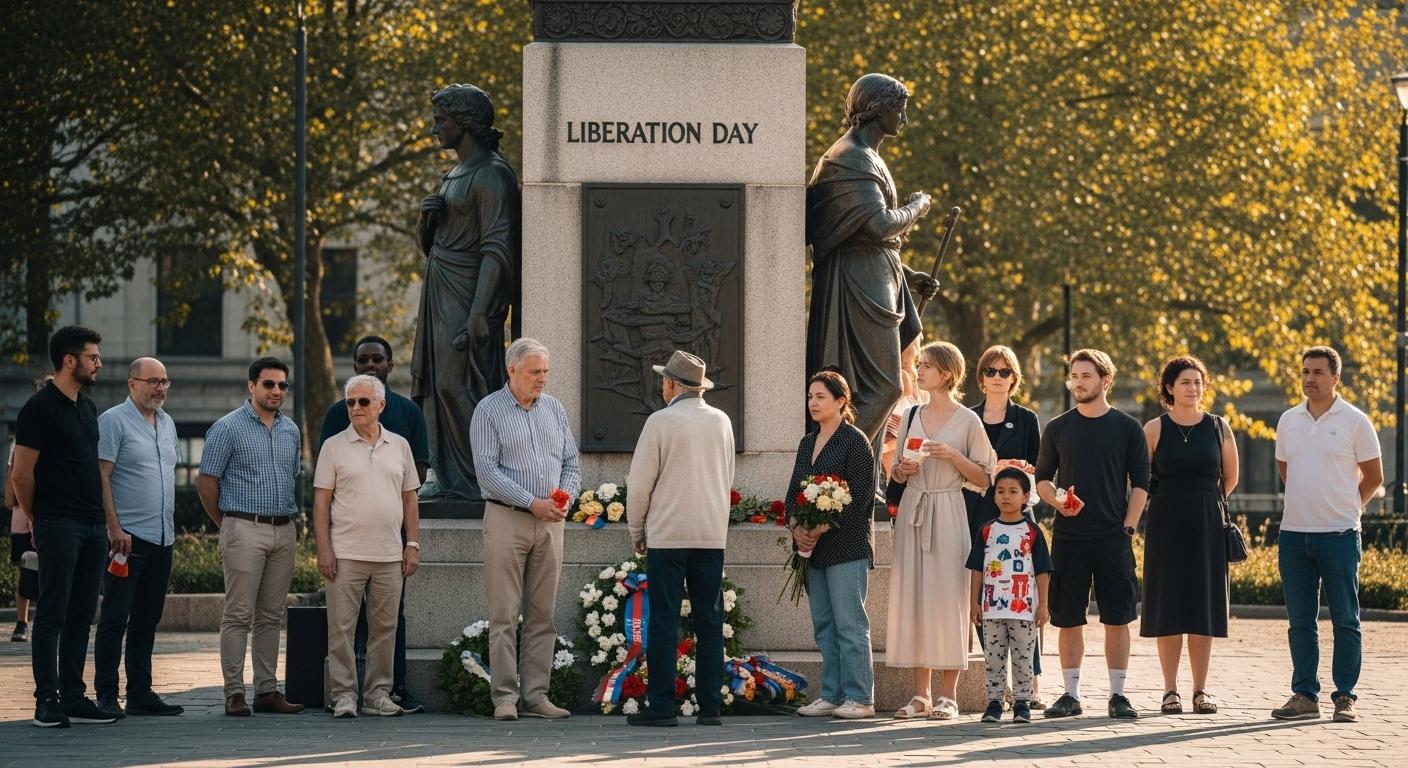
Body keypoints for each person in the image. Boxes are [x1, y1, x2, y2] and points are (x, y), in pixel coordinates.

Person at [805, 72, 940, 449]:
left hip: (874, 276)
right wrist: (918, 207)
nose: (904, 119)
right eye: (900, 109)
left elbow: (860, 233)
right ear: (878, 109)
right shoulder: (851, 157)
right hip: (858, 286)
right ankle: (835, 464)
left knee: (868, 389)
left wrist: (906, 275)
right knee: (884, 387)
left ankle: (859, 475)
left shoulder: (865, 157)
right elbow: (879, 225)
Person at [412, 83, 522, 501]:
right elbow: (433, 248)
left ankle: (481, 475)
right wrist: (425, 223)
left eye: (441, 120)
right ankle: (447, 475)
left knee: (459, 385)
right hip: (439, 290)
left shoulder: (492, 174)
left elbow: (497, 249)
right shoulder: (451, 176)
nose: (434, 129)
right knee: (437, 385)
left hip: (468, 295)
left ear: (466, 121)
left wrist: (480, 313)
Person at [1034, 348, 1150, 720]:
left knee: (1117, 617)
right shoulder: (1058, 427)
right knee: (1068, 618)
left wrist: (1128, 526)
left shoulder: (1127, 428)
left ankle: (1118, 695)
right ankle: (1070, 695)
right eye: (1074, 376)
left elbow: (1142, 482)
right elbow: (1041, 479)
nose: (1078, 383)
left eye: (1086, 376)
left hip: (1113, 537)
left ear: (1105, 380)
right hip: (1069, 537)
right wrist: (1056, 501)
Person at [11, 326, 118, 727]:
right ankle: (47, 701)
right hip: (58, 523)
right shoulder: (38, 408)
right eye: (92, 357)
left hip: (92, 526)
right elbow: (21, 474)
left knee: (81, 613)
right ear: (69, 360)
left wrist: (105, 522)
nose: (99, 364)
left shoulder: (87, 407)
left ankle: (74, 696)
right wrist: (37, 518)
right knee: (52, 612)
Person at [470, 338, 580, 721]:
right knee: (504, 613)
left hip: (550, 523)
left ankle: (536, 696)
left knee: (542, 614)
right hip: (507, 519)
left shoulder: (555, 409)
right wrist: (532, 502)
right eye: (535, 372)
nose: (542, 379)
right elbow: (487, 471)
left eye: (545, 371)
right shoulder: (488, 411)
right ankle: (504, 697)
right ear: (512, 369)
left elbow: (571, 462)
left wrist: (564, 498)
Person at [624, 350, 736, 728]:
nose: (662, 386)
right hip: (709, 535)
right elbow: (727, 477)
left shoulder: (660, 421)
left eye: (664, 381)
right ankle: (710, 707)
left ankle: (662, 706)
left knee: (664, 620)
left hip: (668, 535)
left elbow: (640, 484)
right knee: (709, 622)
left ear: (672, 384)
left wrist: (637, 529)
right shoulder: (721, 421)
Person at [319, 335, 430, 713]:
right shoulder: (333, 442)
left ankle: (379, 694)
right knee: (342, 628)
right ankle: (344, 695)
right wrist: (323, 548)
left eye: (363, 402)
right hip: (346, 552)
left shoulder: (400, 442)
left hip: (389, 552)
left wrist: (411, 545)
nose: (355, 407)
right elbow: (321, 500)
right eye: (351, 402)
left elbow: (411, 497)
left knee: (385, 628)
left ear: (381, 405)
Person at [1271, 346, 1381, 724]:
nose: (1309, 378)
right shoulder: (1288, 420)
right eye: (1305, 371)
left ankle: (1345, 695)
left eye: (1318, 372)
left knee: (1345, 619)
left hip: (1339, 535)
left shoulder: (1355, 421)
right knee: (1300, 621)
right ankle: (1305, 695)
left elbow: (1374, 476)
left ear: (1336, 377)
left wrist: (1349, 507)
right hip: (1293, 536)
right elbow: (1286, 469)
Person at [887, 341, 995, 720]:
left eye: (926, 366)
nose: (918, 371)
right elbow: (895, 471)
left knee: (949, 598)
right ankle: (921, 694)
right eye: (919, 365)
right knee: (915, 597)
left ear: (946, 373)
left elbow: (985, 476)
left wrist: (953, 456)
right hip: (914, 508)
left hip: (948, 509)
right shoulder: (912, 413)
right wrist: (902, 470)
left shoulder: (968, 420)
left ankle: (949, 695)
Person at [196, 357, 304, 717]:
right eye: (268, 384)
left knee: (271, 616)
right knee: (238, 615)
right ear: (251, 386)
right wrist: (225, 523)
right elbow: (206, 482)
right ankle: (234, 694)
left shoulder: (291, 430)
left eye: (282, 385)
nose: (276, 391)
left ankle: (267, 692)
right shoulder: (227, 427)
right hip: (243, 527)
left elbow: (292, 477)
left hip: (284, 530)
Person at [1141, 355, 1238, 716]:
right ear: (1169, 387)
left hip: (1206, 521)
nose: (1193, 388)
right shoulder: (1154, 429)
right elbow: (1140, 477)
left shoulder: (1219, 426)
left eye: (1198, 382)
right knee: (1167, 605)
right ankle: (1170, 690)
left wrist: (1205, 500)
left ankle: (1200, 689)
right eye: (1185, 382)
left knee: (1203, 605)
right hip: (1165, 522)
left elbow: (1230, 477)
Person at [92, 358, 185, 718]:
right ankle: (106, 694)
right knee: (115, 618)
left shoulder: (168, 423)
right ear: (132, 384)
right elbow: (101, 477)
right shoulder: (113, 421)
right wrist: (114, 529)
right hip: (127, 539)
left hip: (162, 537)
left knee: (147, 619)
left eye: (165, 381)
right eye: (153, 381)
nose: (160, 388)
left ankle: (140, 693)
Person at [789, 371, 877, 721]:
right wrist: (797, 527)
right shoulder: (807, 443)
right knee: (824, 624)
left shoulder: (855, 442)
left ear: (841, 402)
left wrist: (822, 525)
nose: (813, 403)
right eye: (810, 396)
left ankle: (860, 697)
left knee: (850, 624)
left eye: (821, 397)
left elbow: (861, 498)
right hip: (814, 550)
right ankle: (831, 694)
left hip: (847, 547)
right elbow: (794, 492)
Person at [964, 344, 1045, 706]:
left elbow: (1039, 467)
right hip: (980, 512)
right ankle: (1001, 684)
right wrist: (989, 471)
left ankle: (1033, 684)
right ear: (981, 378)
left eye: (1004, 372)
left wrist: (1018, 470)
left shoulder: (1026, 418)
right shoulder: (968, 417)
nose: (997, 377)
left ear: (1014, 378)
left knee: (1024, 598)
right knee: (987, 596)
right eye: (990, 371)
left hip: (1018, 516)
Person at [967, 467, 1052, 724]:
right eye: (1001, 491)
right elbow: (977, 569)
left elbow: (1042, 571)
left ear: (1025, 496)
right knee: (994, 658)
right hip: (992, 609)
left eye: (1013, 491)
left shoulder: (1032, 532)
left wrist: (1043, 606)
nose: (1006, 497)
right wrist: (974, 602)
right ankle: (994, 702)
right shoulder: (987, 531)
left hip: (1024, 610)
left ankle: (1022, 703)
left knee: (1023, 657)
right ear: (994, 496)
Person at [7, 377, 49, 643]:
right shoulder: (28, 428)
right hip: (24, 514)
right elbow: (14, 474)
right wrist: (14, 501)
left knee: (49, 570)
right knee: (26, 568)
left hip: (50, 512)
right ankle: (21, 622)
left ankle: (43, 619)